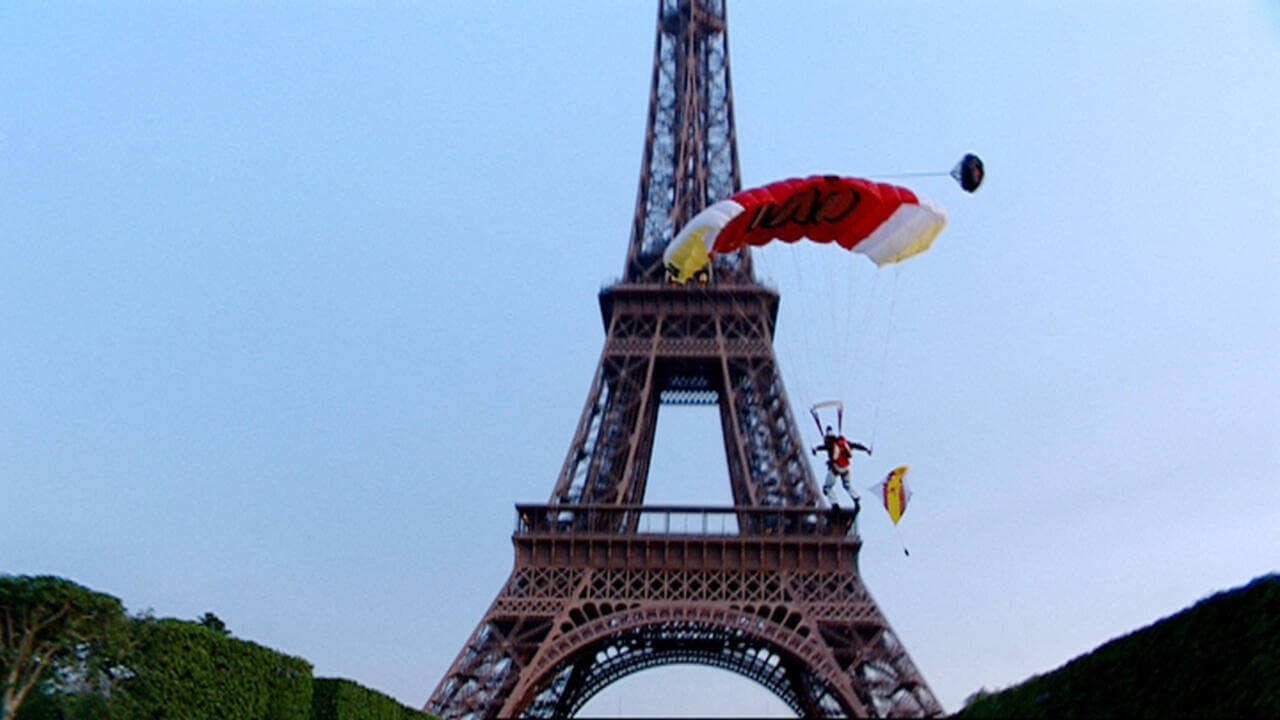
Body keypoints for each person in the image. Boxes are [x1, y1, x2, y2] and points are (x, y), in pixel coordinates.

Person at [811, 426, 871, 509]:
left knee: (827, 488)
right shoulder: (844, 442)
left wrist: (816, 449)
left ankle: (835, 504)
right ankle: (856, 498)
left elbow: (823, 447)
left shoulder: (830, 444)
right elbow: (856, 445)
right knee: (847, 485)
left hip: (836, 468)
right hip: (846, 468)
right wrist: (866, 450)